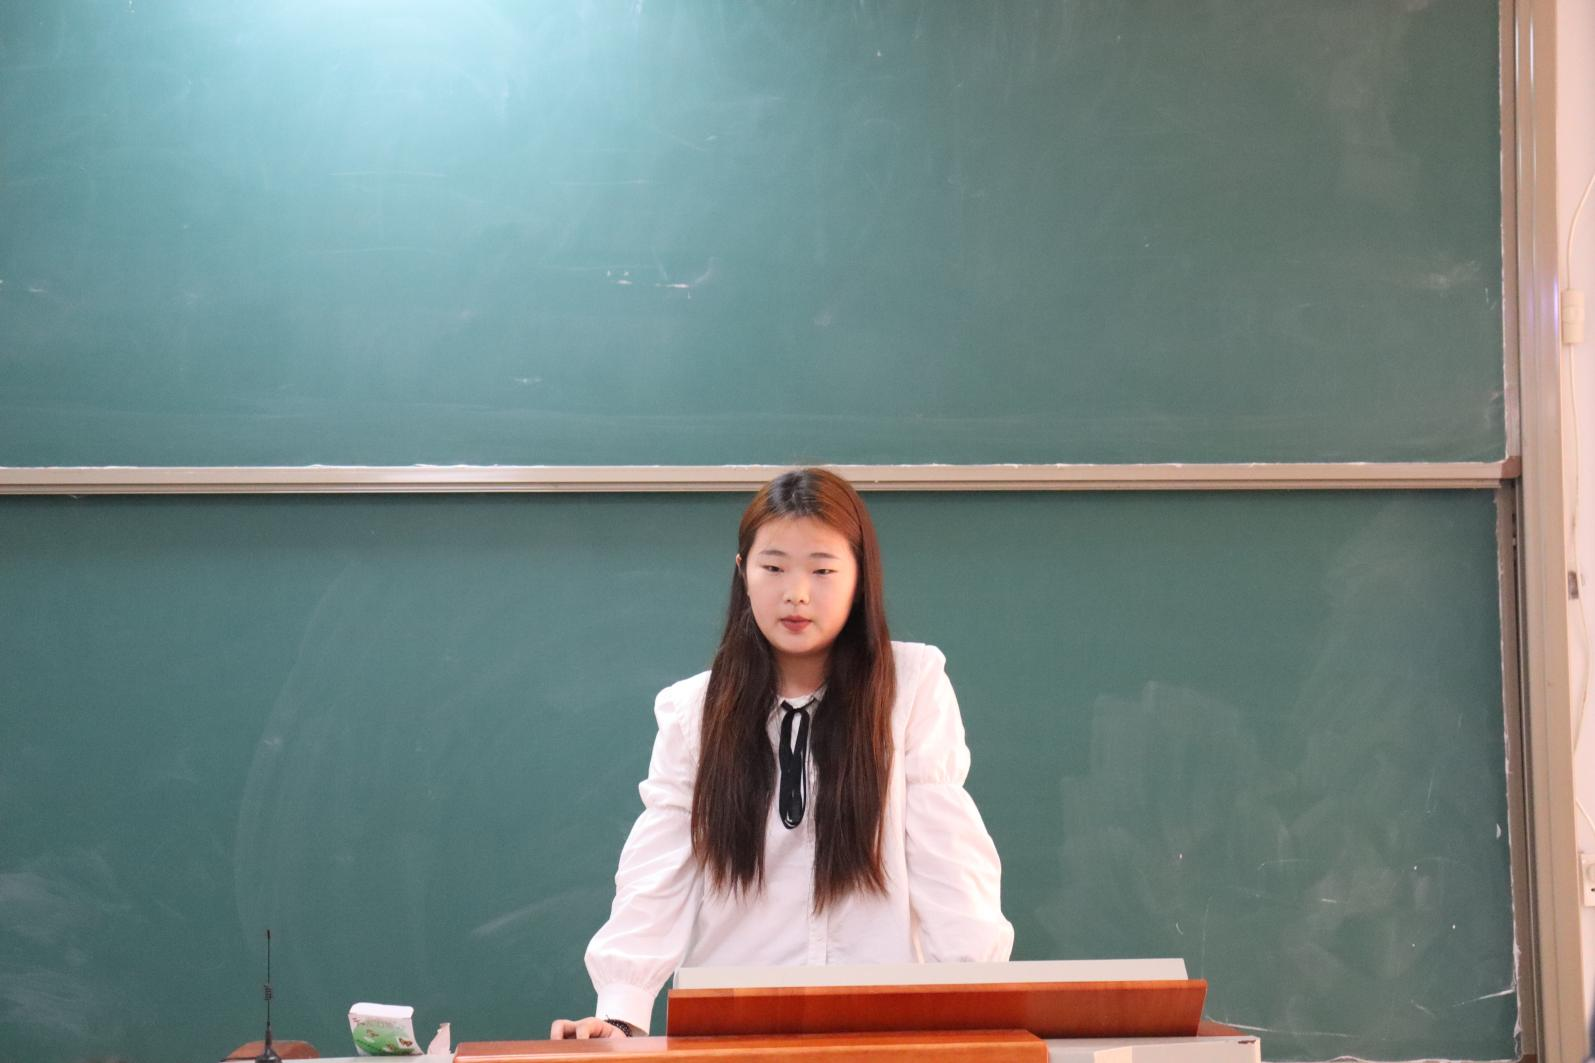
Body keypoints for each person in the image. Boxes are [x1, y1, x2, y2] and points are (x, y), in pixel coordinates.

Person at [550, 467, 1013, 1039]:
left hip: (877, 1027)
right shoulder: (693, 711)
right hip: (730, 1027)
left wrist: (972, 1003)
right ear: (742, 573)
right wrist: (620, 1012)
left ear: (859, 577)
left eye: (822, 570)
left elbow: (949, 861)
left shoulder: (910, 687)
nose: (796, 593)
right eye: (773, 568)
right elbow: (658, 871)